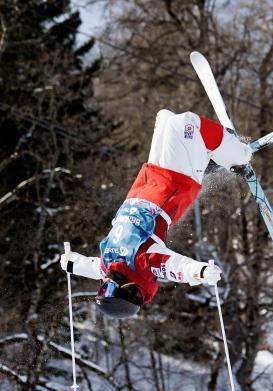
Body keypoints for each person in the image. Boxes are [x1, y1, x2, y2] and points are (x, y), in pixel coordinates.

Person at [60, 110, 252, 319]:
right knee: (182, 123)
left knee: (164, 117)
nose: (105, 284)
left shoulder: (109, 265)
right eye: (108, 291)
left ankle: (207, 152)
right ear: (131, 290)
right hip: (176, 181)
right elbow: (175, 267)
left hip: (151, 176)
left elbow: (91, 267)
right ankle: (239, 156)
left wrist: (71, 263)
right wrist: (200, 272)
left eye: (101, 289)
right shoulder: (145, 264)